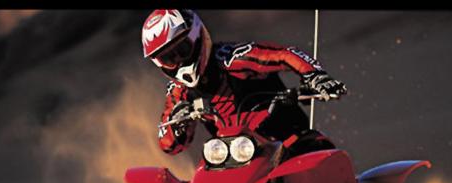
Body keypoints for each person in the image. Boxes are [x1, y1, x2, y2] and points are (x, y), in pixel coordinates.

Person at [141, 9, 347, 157]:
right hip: (233, 158)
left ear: (197, 36)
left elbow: (284, 55)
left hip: (288, 142)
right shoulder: (179, 92)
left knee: (321, 156)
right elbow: (168, 145)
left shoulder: (231, 57)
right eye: (169, 58)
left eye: (182, 49)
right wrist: (178, 124)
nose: (178, 60)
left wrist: (315, 76)